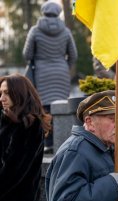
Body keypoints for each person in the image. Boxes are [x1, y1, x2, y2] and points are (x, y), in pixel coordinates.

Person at [45, 90, 118, 201]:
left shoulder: (101, 148)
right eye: (112, 119)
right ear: (89, 122)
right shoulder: (76, 151)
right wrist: (113, 184)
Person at [23, 1, 78, 153]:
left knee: (44, 107)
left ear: (43, 12)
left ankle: (47, 142)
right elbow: (74, 55)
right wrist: (65, 67)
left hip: (41, 73)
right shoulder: (66, 31)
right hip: (61, 73)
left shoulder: (35, 30)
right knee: (60, 106)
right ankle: (62, 142)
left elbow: (27, 54)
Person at [0, 74, 51, 201]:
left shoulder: (30, 125)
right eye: (0, 93)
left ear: (20, 93)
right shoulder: (4, 120)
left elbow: (14, 170)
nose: (2, 98)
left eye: (7, 93)